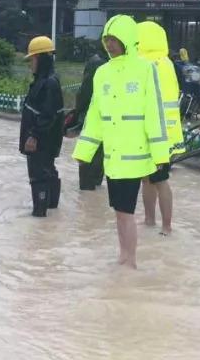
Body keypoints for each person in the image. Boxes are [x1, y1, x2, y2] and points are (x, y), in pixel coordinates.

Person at [72, 15, 170, 268]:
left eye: (114, 40)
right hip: (113, 156)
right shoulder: (102, 72)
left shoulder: (146, 69)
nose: (110, 45)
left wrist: (160, 155)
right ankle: (123, 256)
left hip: (135, 156)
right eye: (107, 40)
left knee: (126, 212)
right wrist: (85, 150)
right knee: (119, 211)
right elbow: (95, 114)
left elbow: (155, 113)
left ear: (127, 39)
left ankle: (131, 261)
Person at [137, 21, 184, 236]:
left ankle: (164, 226)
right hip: (168, 132)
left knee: (158, 179)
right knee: (150, 178)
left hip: (155, 133)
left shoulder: (144, 64)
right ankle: (151, 221)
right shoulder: (167, 63)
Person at [20, 35, 64, 217]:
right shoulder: (44, 80)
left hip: (41, 141)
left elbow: (47, 115)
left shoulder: (48, 83)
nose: (31, 64)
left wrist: (33, 136)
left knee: (38, 175)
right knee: (48, 171)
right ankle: (51, 210)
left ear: (42, 59)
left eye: (33, 59)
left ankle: (40, 213)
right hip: (45, 140)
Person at [63, 52, 106, 191]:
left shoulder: (96, 62)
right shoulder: (112, 62)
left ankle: (89, 188)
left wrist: (78, 110)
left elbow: (85, 91)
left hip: (93, 114)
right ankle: (94, 188)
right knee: (100, 152)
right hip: (107, 115)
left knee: (89, 152)